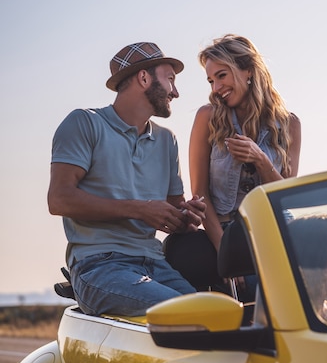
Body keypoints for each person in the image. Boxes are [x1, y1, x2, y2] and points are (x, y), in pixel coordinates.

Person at [48, 42, 207, 317]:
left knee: (218, 317)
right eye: (170, 79)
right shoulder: (84, 123)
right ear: (144, 78)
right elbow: (59, 199)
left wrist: (186, 218)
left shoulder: (167, 140)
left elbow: (172, 214)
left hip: (156, 265)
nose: (176, 92)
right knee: (190, 314)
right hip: (99, 267)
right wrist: (140, 209)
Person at [189, 34, 301, 250]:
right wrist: (225, 249)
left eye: (222, 76)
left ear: (248, 69)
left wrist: (261, 159)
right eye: (211, 81)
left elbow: (285, 199)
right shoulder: (207, 117)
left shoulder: (290, 124)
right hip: (226, 232)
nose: (216, 88)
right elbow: (199, 192)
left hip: (274, 230)